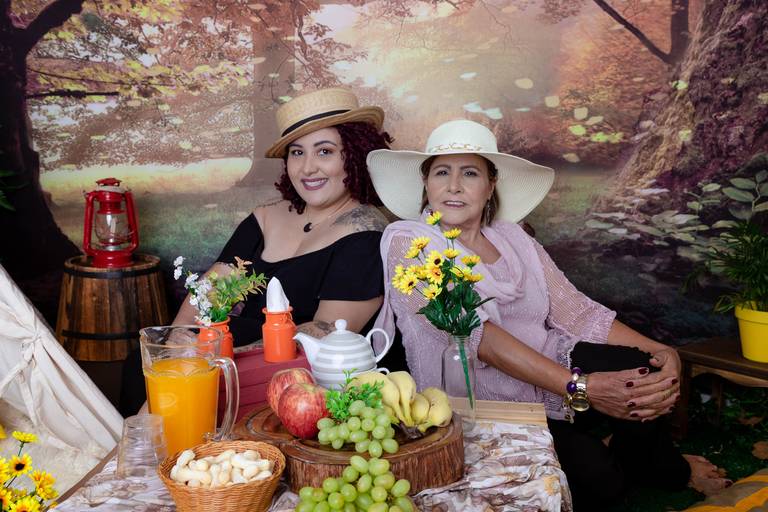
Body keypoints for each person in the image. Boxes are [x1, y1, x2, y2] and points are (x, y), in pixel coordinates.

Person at [366, 119, 730, 510]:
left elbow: (577, 313)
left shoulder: (513, 237)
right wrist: (580, 387)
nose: (453, 186)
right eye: (442, 172)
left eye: (469, 173)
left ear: (490, 185)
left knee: (641, 368)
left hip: (551, 368)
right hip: (479, 401)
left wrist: (660, 350)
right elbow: (477, 337)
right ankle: (613, 455)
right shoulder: (409, 243)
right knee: (602, 484)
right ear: (426, 184)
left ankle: (650, 462)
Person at [119, 88, 391, 416]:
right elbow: (208, 294)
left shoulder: (366, 234)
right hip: (224, 353)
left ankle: (154, 440)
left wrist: (216, 356)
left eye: (325, 151)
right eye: (297, 152)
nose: (307, 168)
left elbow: (328, 334)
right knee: (142, 365)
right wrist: (178, 342)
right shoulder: (266, 216)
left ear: (355, 155)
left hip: (293, 379)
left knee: (185, 392)